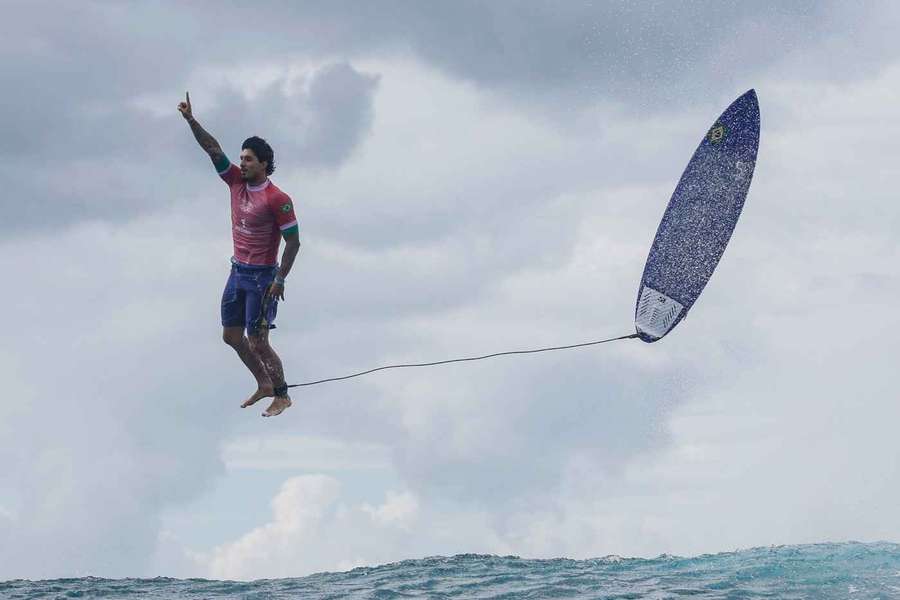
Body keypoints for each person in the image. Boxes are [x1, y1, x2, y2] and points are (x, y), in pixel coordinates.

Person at [178, 92, 300, 417]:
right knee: (231, 336)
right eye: (241, 158)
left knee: (258, 340)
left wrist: (280, 278)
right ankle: (264, 383)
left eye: (248, 159)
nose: (241, 163)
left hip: (262, 278)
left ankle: (282, 394)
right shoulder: (235, 182)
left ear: (263, 164)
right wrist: (192, 120)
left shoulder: (278, 199)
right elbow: (213, 149)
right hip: (237, 273)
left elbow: (294, 242)